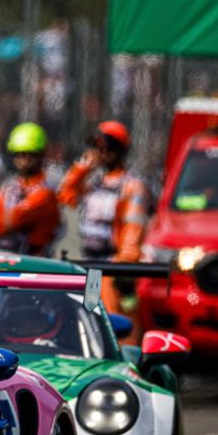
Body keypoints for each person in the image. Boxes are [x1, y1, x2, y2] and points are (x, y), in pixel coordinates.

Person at [59, 120, 151, 315]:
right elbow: (66, 195)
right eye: (98, 147)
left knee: (114, 320)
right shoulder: (93, 183)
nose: (102, 152)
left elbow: (133, 230)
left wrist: (125, 269)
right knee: (89, 314)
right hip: (91, 265)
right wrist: (83, 167)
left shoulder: (132, 185)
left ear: (119, 150)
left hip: (113, 267)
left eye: (107, 147)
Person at [0, 122, 61, 256]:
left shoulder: (47, 192)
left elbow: (17, 219)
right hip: (4, 258)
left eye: (30, 154)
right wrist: (6, 223)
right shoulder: (9, 187)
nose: (24, 160)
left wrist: (4, 221)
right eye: (19, 154)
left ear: (40, 155)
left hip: (35, 262)